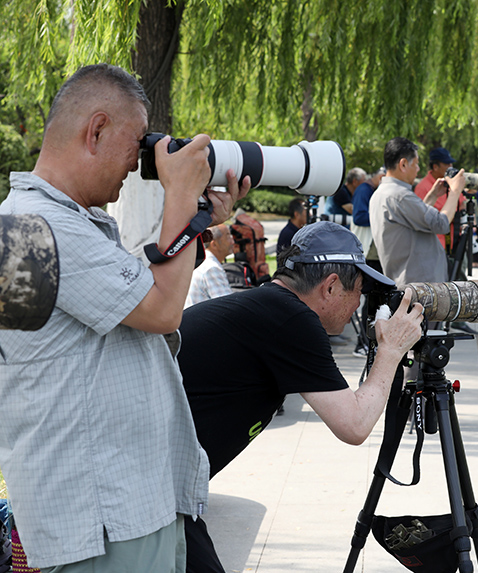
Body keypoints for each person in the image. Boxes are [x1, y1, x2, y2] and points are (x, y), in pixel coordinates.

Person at [0, 64, 249, 571]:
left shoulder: (42, 223)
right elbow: (160, 309)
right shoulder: (39, 226)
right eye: (136, 146)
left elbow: (131, 295)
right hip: (106, 518)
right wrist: (179, 195)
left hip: (118, 510)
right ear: (95, 130)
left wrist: (195, 219)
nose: (140, 166)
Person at [177, 221, 424, 571]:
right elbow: (354, 425)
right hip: (146, 483)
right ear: (331, 286)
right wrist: (391, 350)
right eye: (360, 291)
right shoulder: (291, 318)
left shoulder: (273, 307)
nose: (359, 304)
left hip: (155, 479)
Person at [368, 137, 465, 287]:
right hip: (421, 288)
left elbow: (412, 222)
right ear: (403, 164)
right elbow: (441, 223)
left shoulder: (381, 193)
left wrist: (432, 197)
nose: (418, 169)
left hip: (407, 282)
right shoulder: (400, 195)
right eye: (417, 163)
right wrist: (455, 191)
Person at [350, 167, 384, 357]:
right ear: (380, 177)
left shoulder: (372, 191)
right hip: (368, 254)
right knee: (370, 299)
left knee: (376, 300)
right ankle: (362, 343)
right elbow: (359, 217)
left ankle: (367, 342)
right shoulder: (365, 190)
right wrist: (383, 215)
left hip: (374, 253)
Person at [185, 224, 234, 308]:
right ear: (214, 244)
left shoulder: (203, 261)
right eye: (228, 236)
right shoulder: (211, 268)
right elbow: (228, 307)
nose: (232, 242)